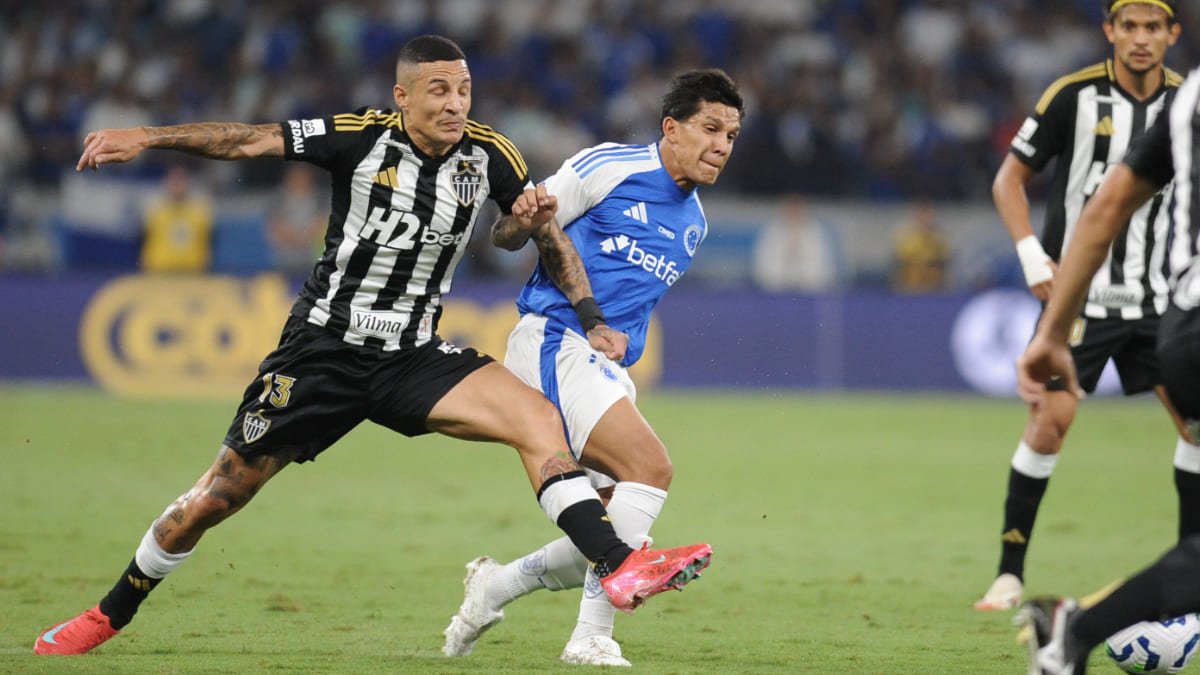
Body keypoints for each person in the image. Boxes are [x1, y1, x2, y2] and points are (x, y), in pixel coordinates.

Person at [34, 35, 712, 657]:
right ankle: (109, 613)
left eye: (464, 90)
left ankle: (617, 566)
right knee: (216, 497)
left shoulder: (490, 155)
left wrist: (587, 312)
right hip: (322, 352)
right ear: (403, 96)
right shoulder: (356, 138)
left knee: (538, 420)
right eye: (439, 90)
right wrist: (148, 137)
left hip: (413, 355)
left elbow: (534, 235)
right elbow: (248, 140)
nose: (455, 104)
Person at [441, 69, 744, 666]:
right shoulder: (609, 166)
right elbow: (512, 231)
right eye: (710, 129)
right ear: (671, 128)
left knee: (607, 532)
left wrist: (623, 347)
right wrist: (521, 219)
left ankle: (493, 588)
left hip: (603, 366)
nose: (721, 146)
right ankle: (589, 638)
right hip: (555, 339)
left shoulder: (695, 224)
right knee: (650, 468)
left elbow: (634, 305)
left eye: (731, 136)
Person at [975, 0, 1200, 612]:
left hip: (1162, 298)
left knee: (1195, 427)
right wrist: (1031, 256)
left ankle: (1190, 567)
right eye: (1129, 26)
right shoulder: (1071, 96)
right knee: (1050, 422)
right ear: (1109, 31)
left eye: (1153, 27)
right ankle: (1009, 574)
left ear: (1173, 34)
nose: (1141, 38)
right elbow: (1008, 179)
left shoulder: (1186, 104)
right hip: (1079, 301)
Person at [1016, 58, 1200, 675]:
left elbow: (1104, 208)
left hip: (1184, 326)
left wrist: (1051, 332)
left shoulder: (1190, 95)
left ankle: (1074, 631)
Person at [751, 195, 844, 293]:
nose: (793, 214)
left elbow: (823, 266)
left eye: (797, 211)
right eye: (790, 211)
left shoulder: (815, 232)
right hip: (775, 291)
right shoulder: (771, 232)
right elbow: (762, 264)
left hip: (811, 291)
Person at [139, 164, 214, 273]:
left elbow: (209, 241)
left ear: (187, 183)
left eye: (180, 181)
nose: (177, 186)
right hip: (159, 271)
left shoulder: (200, 212)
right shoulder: (155, 211)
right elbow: (143, 239)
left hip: (192, 271)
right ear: (167, 183)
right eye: (174, 181)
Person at [265, 163, 326, 279]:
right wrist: (298, 237)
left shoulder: (319, 199)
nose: (301, 181)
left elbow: (319, 227)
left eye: (304, 178)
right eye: (297, 177)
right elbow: (277, 230)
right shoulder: (278, 200)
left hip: (312, 257)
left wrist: (304, 237)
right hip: (285, 258)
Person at [890, 200, 949, 293]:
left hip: (934, 287)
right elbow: (901, 260)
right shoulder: (905, 235)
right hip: (910, 286)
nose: (926, 219)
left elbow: (944, 260)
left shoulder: (939, 236)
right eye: (922, 215)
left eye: (928, 215)